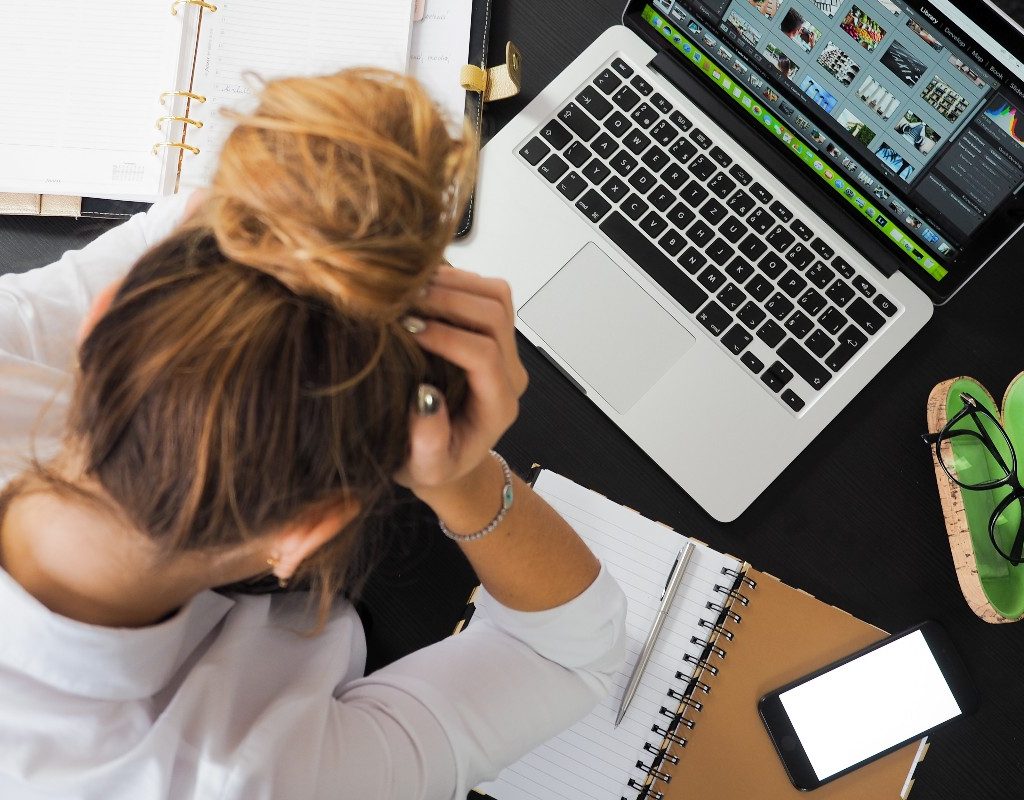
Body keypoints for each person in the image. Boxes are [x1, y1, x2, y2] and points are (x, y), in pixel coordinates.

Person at [0, 70, 626, 799]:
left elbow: (191, 220)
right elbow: (569, 656)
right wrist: (464, 477)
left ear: (101, 317)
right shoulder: (247, 781)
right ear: (305, 535)